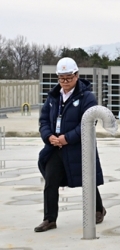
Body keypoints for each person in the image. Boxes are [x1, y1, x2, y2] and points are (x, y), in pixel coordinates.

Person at [36, 57, 107, 232]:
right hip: (55, 147)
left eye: (68, 77)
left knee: (87, 180)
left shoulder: (86, 96)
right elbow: (44, 120)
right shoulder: (53, 97)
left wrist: (67, 138)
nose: (65, 82)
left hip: (78, 147)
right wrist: (49, 136)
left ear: (76, 75)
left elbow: (89, 123)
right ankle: (49, 218)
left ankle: (98, 209)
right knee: (50, 181)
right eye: (61, 78)